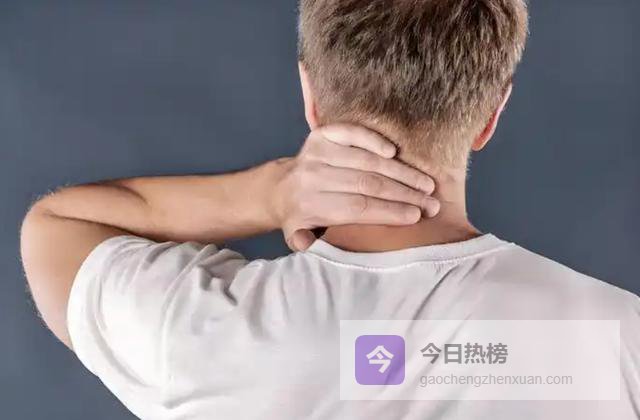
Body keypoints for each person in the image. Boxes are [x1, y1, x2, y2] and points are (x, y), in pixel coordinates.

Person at [20, 0, 640, 419]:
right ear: (491, 114)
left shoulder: (201, 332)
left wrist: (271, 192)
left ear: (310, 97)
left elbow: (57, 226)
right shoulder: (620, 337)